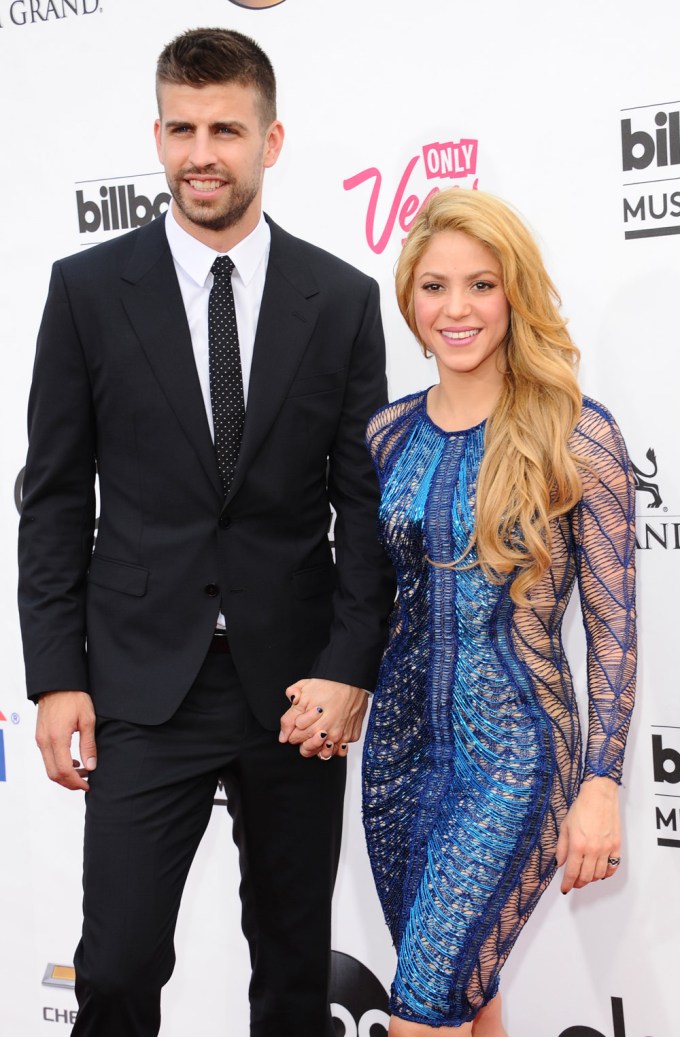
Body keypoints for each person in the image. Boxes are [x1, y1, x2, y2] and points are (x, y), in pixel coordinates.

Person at [18, 27, 395, 1037]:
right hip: (141, 683)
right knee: (119, 960)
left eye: (225, 128)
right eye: (182, 128)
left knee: (289, 967)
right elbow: (53, 497)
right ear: (155, 133)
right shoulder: (88, 291)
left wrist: (347, 663)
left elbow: (361, 506)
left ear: (270, 141)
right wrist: (56, 674)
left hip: (294, 686)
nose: (201, 152)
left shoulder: (342, 300)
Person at [362, 189, 637, 1036]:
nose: (457, 308)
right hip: (398, 762)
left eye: (481, 284)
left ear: (514, 293)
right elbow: (380, 603)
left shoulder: (575, 434)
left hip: (514, 760)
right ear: (410, 298)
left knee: (420, 1010)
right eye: (435, 286)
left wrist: (601, 780)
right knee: (467, 1001)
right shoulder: (388, 433)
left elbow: (612, 627)